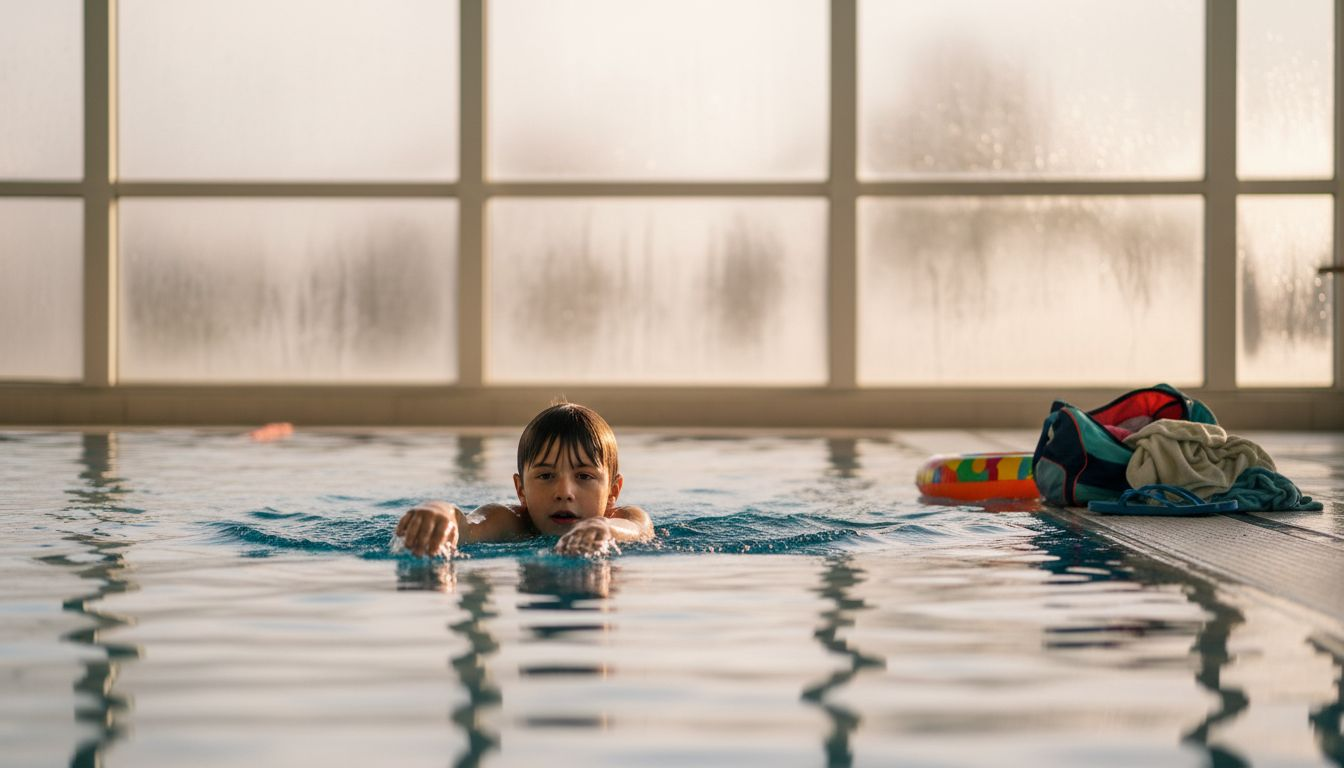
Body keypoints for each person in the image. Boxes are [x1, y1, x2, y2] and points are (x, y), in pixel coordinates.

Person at [395, 402, 653, 557]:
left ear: (612, 491)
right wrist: (440, 512)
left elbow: (639, 530)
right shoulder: (513, 521)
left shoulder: (622, 517)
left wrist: (606, 529)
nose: (564, 492)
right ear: (521, 489)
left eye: (584, 476)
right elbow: (467, 526)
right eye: (546, 475)